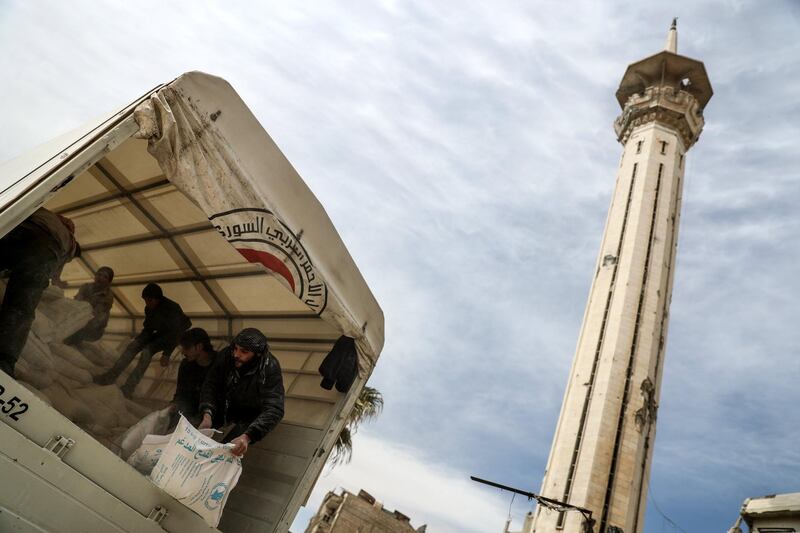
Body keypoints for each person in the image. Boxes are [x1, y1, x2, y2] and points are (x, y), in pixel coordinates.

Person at [0, 208, 79, 377]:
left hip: (20, 228)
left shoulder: (46, 213)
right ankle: (4, 363)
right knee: (21, 307)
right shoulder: (69, 242)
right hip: (45, 249)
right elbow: (53, 275)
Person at [198, 328, 284, 457]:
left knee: (225, 456)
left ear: (258, 354)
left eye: (244, 351)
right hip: (222, 411)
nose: (236, 354)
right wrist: (207, 413)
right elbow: (211, 384)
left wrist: (248, 436)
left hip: (248, 420)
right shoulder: (227, 356)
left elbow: (275, 408)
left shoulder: (269, 367)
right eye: (235, 348)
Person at [94, 282, 191, 397]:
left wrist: (167, 354)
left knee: (146, 353)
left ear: (157, 299)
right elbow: (149, 328)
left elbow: (176, 333)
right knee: (132, 347)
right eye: (145, 300)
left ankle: (128, 388)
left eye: (150, 300)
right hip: (156, 333)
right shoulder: (149, 308)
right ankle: (109, 377)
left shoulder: (172, 308)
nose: (147, 303)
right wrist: (138, 340)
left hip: (169, 337)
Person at [170, 327, 217, 426]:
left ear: (199, 347)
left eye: (186, 348)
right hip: (191, 410)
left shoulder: (219, 363)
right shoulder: (186, 365)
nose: (183, 352)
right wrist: (175, 403)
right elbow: (181, 391)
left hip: (213, 412)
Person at [64, 266, 115, 345]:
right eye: (99, 274)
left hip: (93, 329)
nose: (100, 278)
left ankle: (74, 340)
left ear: (109, 282)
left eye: (105, 277)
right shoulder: (86, 287)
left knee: (70, 339)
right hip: (78, 318)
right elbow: (76, 302)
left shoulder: (107, 296)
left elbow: (96, 315)